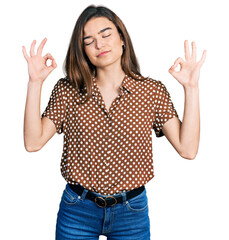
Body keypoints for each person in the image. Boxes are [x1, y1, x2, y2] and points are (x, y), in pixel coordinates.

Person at [22, 4, 206, 240]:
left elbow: (188, 149)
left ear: (122, 38)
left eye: (106, 34)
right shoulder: (68, 90)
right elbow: (32, 142)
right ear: (82, 51)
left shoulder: (151, 91)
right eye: (89, 41)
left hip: (132, 212)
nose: (99, 44)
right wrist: (34, 82)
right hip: (77, 209)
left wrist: (191, 88)